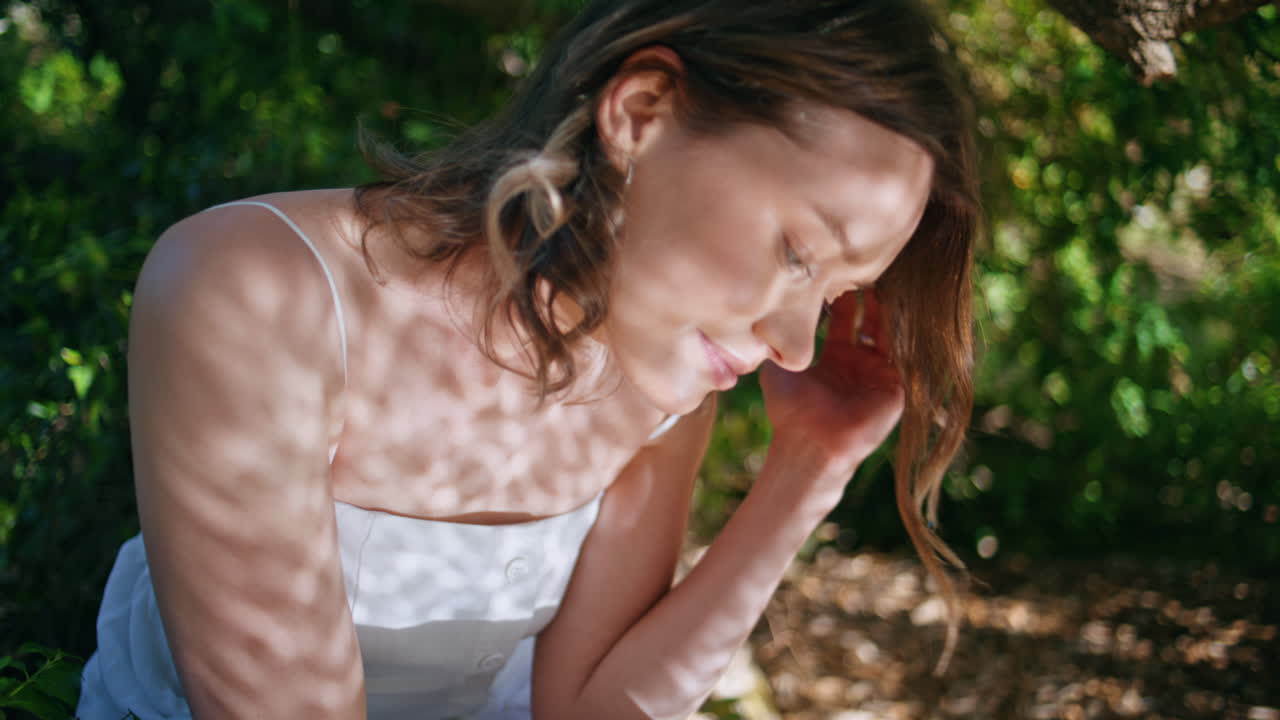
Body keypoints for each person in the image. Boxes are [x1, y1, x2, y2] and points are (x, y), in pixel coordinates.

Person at [77, 0, 979, 718]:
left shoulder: (662, 387)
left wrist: (812, 464)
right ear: (642, 112)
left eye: (827, 298)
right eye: (797, 254)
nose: (795, 345)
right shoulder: (259, 294)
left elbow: (593, 709)